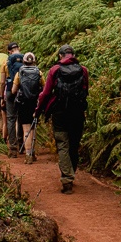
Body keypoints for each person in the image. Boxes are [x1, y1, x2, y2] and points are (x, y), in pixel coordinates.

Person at [35, 44, 88, 193]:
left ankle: (67, 180)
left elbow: (45, 94)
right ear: (74, 55)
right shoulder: (83, 70)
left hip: (59, 113)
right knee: (74, 144)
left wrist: (38, 111)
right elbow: (85, 90)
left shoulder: (55, 70)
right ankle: (72, 172)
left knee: (62, 144)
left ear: (60, 56)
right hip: (77, 112)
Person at [12, 52, 44, 164]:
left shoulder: (19, 73)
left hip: (23, 103)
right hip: (35, 103)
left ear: (24, 61)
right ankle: (32, 152)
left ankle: (28, 155)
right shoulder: (39, 72)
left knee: (26, 129)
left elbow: (13, 90)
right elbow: (44, 89)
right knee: (33, 128)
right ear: (34, 61)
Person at [0, 41, 24, 157]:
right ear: (19, 48)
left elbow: (2, 82)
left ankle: (13, 149)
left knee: (10, 118)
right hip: (22, 91)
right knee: (21, 117)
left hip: (10, 90)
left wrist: (1, 96)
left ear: (9, 51)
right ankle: (22, 145)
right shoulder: (26, 58)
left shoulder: (6, 62)